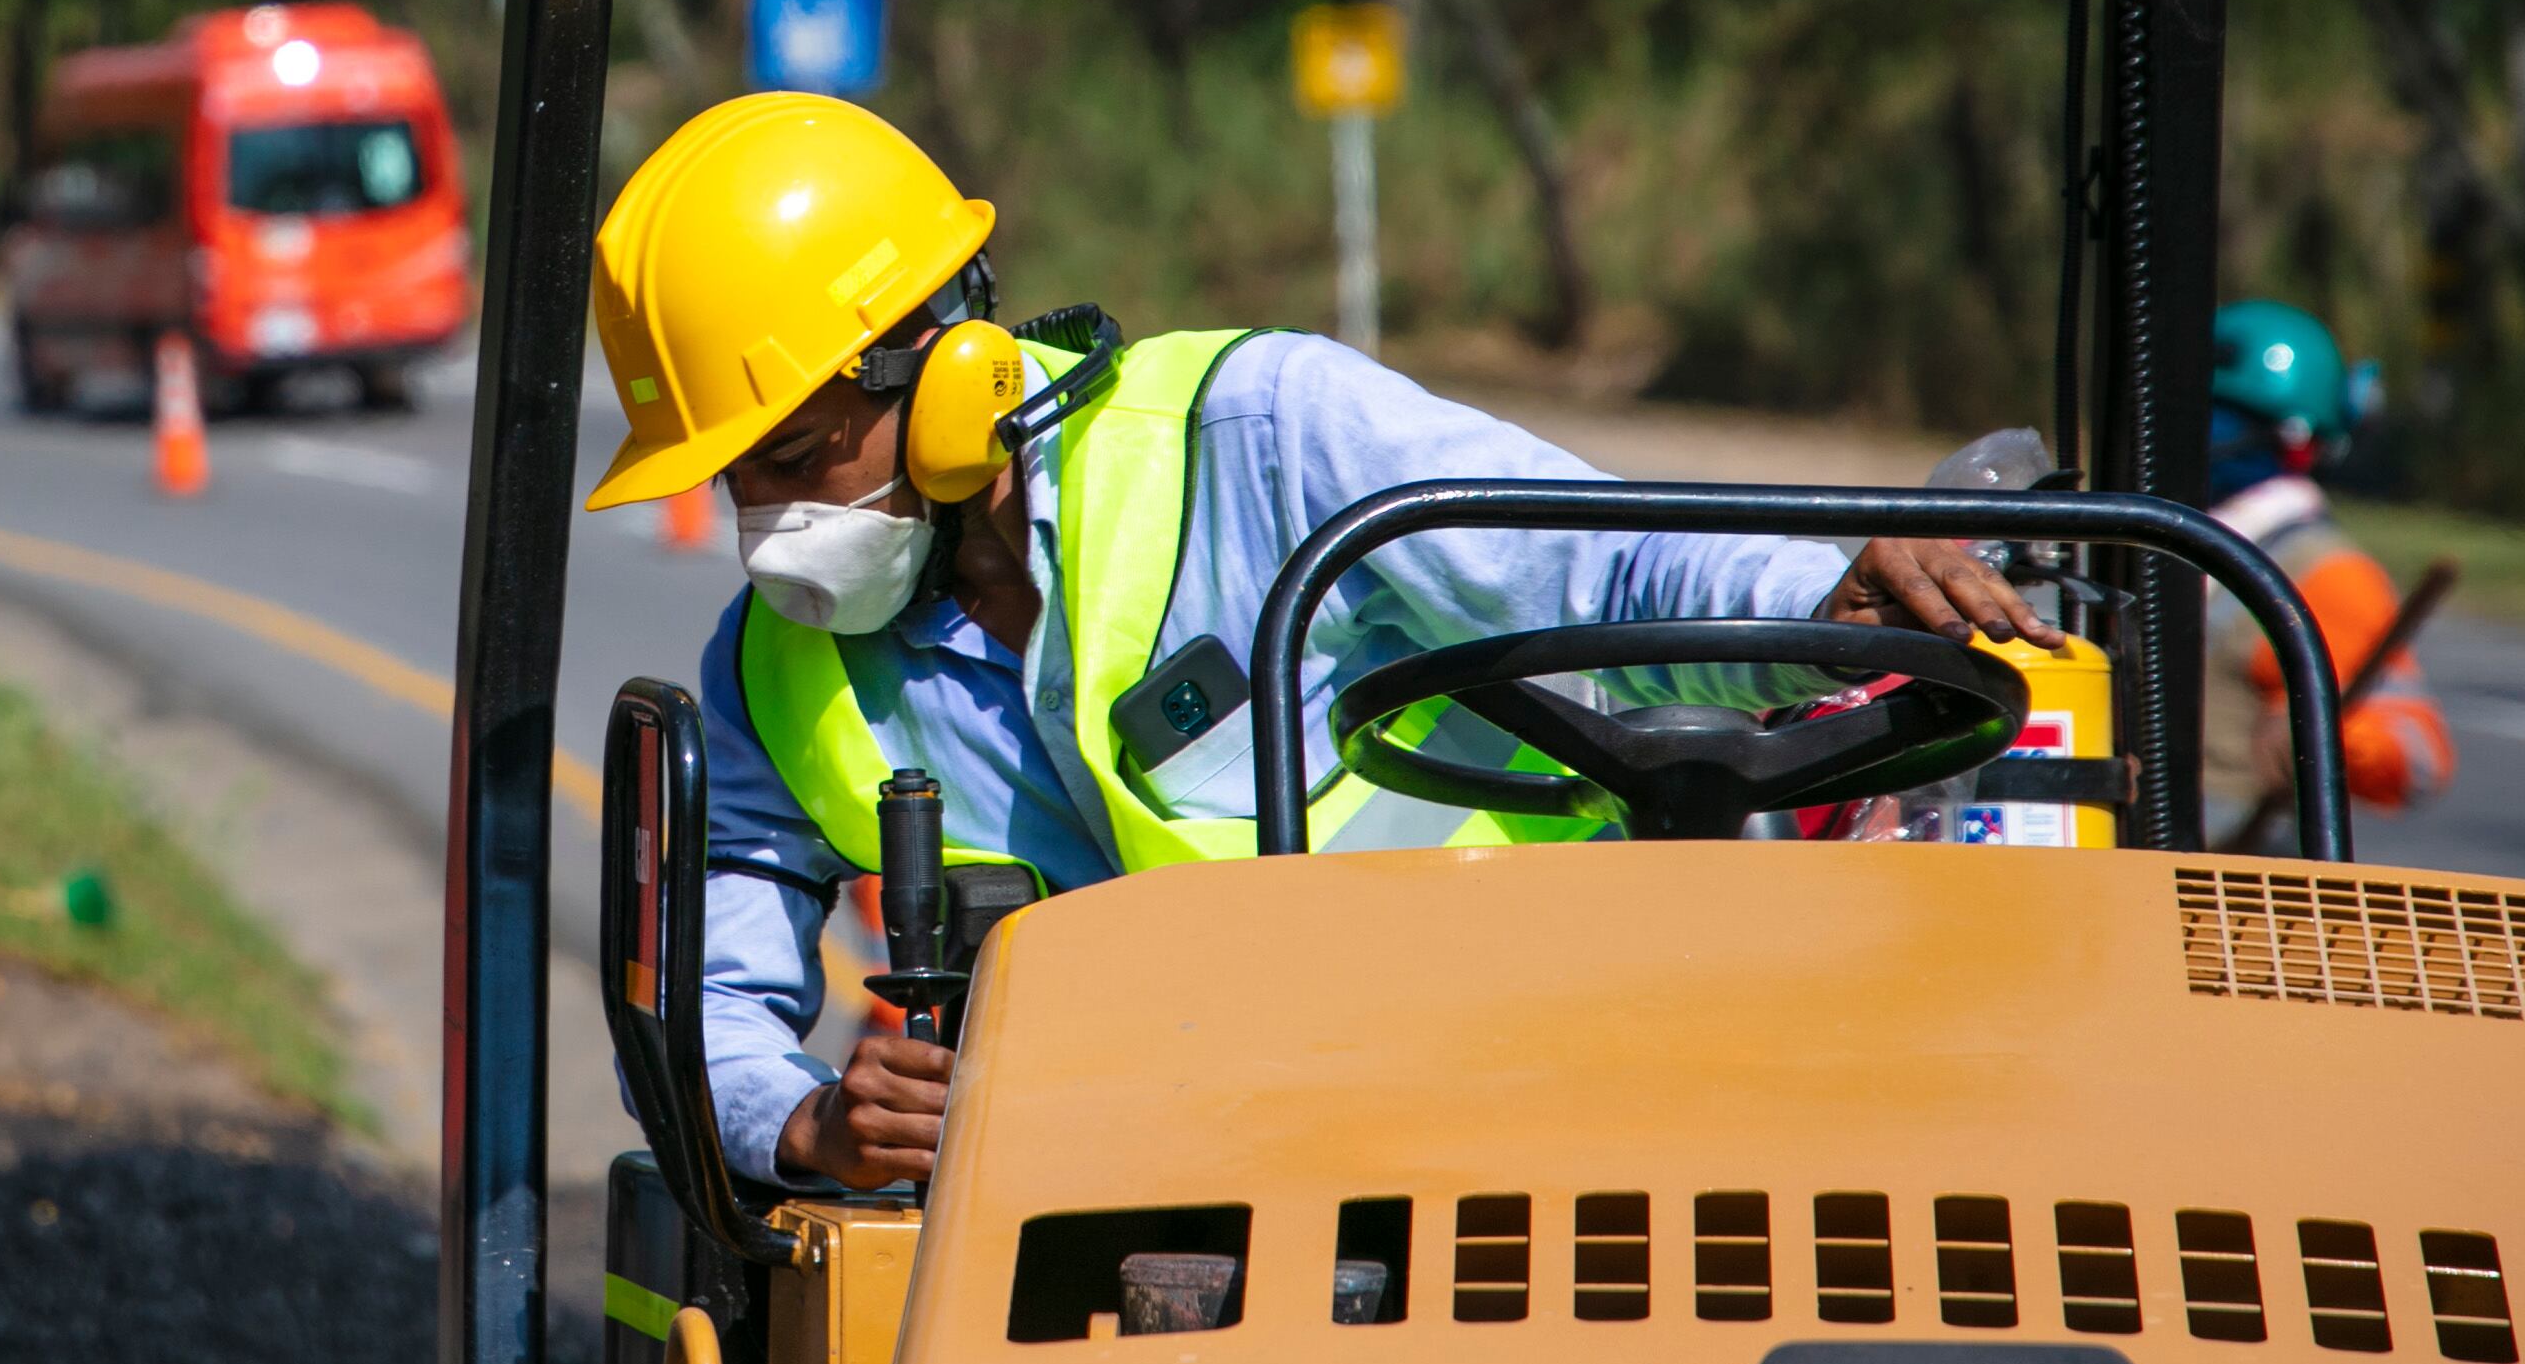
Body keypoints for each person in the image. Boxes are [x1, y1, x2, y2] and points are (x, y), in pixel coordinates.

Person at [584, 95, 2059, 1194]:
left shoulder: (1266, 436)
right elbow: (708, 1001)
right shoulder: (768, 671)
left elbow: (1598, 560)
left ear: (950, 369)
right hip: (1134, 1189)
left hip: (1517, 1089)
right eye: (736, 479)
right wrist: (803, 1122)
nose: (762, 519)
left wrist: (1816, 600)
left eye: (792, 456)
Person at [2207, 299, 2453, 820]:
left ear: (2296, 441)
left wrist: (2322, 729)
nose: (2207, 434)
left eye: (2230, 419)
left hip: (2230, 883)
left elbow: (2416, 754)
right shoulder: (2168, 531)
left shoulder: (2323, 572)